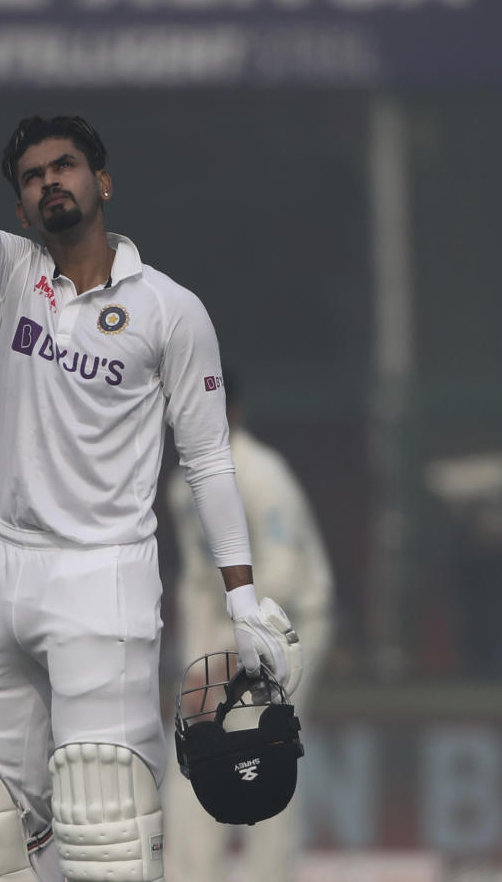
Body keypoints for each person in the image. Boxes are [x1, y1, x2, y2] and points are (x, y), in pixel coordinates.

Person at [0, 33, 302, 882]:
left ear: (102, 181)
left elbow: (208, 459)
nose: (51, 181)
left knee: (105, 828)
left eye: (66, 165)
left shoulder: (170, 310)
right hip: (4, 571)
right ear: (21, 207)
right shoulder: (5, 275)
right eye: (33, 176)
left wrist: (246, 598)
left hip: (104, 573)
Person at [164, 375, 335, 882]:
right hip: (223, 629)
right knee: (197, 749)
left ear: (232, 411)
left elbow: (282, 576)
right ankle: (192, 874)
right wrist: (196, 664)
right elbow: (197, 581)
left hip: (291, 625)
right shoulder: (181, 485)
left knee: (268, 751)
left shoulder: (262, 473)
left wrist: (229, 647)